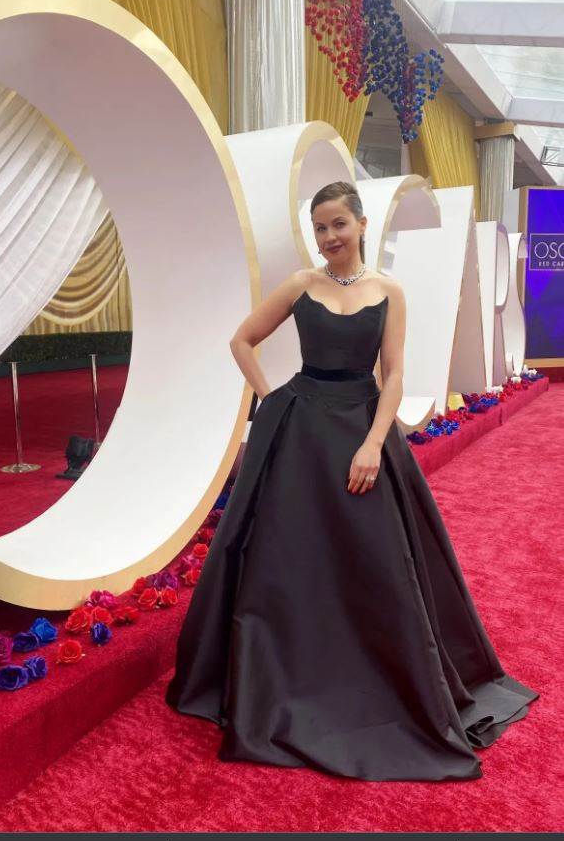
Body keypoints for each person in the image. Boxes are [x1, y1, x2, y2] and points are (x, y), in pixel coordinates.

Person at [165, 180, 539, 781]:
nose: (329, 237)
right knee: (287, 556)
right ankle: (285, 675)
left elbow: (393, 377)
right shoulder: (301, 284)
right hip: (300, 433)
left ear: (362, 224)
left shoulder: (389, 291)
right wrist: (272, 400)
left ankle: (375, 677)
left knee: (375, 558)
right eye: (320, 228)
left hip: (361, 430)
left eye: (338, 224)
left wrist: (372, 445)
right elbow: (242, 340)